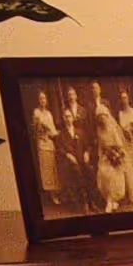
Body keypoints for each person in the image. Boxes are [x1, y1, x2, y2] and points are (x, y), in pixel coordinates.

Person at [55, 84, 93, 212]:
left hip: (82, 158)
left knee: (89, 170)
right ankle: (84, 204)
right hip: (71, 162)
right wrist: (68, 155)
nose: (67, 119)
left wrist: (87, 153)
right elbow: (60, 149)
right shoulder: (62, 135)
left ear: (72, 118)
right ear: (63, 119)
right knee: (77, 171)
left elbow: (87, 145)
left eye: (69, 117)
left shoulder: (80, 131)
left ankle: (92, 201)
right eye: (65, 117)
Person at [92, 83, 127, 212]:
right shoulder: (99, 131)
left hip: (115, 156)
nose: (102, 120)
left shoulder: (112, 129)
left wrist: (116, 154)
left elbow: (119, 145)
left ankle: (111, 201)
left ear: (107, 117)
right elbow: (101, 147)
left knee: (113, 174)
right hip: (105, 157)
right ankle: (110, 200)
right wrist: (101, 157)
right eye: (99, 118)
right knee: (102, 172)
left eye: (104, 117)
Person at [30, 90, 60, 205]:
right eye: (41, 98)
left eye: (44, 98)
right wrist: (42, 130)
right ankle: (51, 195)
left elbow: (52, 129)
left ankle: (55, 193)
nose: (43, 100)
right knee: (46, 169)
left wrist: (56, 133)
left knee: (53, 168)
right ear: (38, 100)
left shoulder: (49, 113)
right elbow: (36, 130)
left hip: (50, 142)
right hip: (42, 142)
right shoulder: (36, 112)